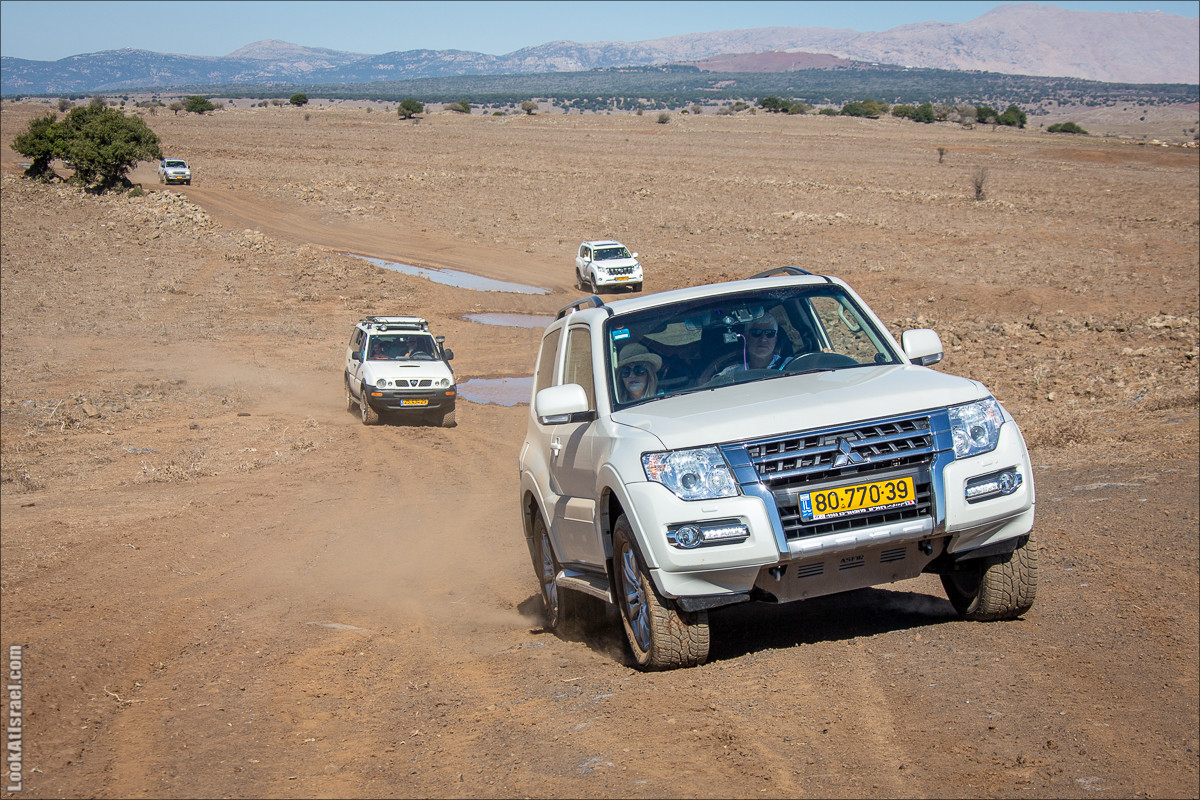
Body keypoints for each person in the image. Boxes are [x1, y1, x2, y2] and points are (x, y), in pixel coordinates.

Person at [717, 312, 792, 376]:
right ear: (746, 337)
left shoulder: (791, 365)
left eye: (769, 333)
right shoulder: (731, 374)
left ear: (776, 339)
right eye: (756, 333)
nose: (763, 339)